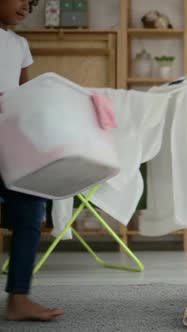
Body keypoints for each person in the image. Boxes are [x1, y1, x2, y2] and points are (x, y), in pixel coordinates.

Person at [0, 0, 64, 321]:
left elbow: (25, 97)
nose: (26, 5)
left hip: (10, 142)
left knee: (31, 210)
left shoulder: (19, 45)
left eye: (31, 0)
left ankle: (19, 297)